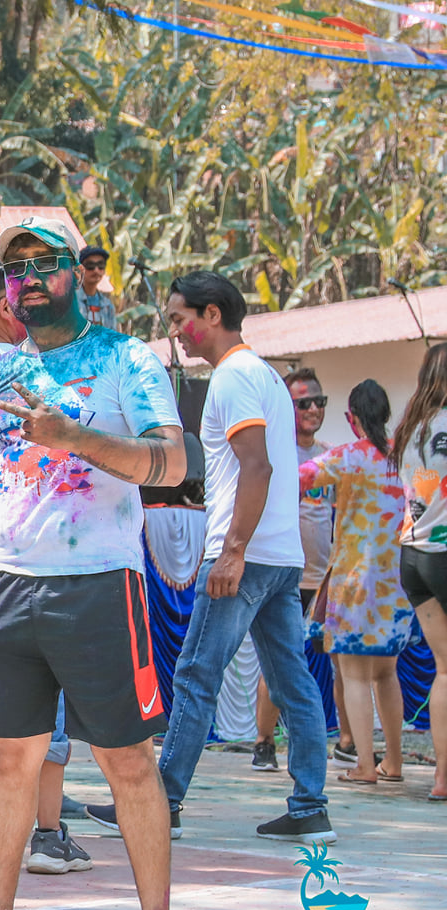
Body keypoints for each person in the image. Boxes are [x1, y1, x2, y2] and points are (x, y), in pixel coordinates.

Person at [0, 215, 188, 910]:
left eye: (46, 262)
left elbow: (172, 463)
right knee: (10, 758)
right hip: (6, 586)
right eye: (18, 268)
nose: (31, 278)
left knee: (127, 760)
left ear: (76, 272)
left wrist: (73, 436)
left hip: (101, 582)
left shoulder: (126, 359)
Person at [143, 271, 332, 844]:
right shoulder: (265, 375)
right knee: (292, 681)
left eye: (179, 319)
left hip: (243, 556)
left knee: (197, 675)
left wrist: (232, 551)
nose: (175, 332)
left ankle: (162, 803)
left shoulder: (234, 376)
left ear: (212, 315)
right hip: (278, 556)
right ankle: (310, 806)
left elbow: (257, 465)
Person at [0, 252, 88, 870]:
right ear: (5, 304)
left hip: (12, 571)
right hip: (10, 572)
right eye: (20, 284)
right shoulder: (0, 375)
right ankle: (45, 832)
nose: (30, 295)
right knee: (34, 722)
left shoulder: (97, 362)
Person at [300, 380, 416, 787]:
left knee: (354, 676)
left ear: (352, 419)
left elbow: (300, 477)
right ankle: (394, 762)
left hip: (353, 582)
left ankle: (365, 765)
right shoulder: (403, 456)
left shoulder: (347, 456)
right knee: (387, 673)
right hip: (396, 582)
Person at [256, 367, 339, 770]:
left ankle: (345, 743)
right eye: (303, 403)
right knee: (279, 662)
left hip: (325, 578)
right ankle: (264, 741)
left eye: (319, 402)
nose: (313, 409)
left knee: (337, 662)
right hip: (286, 573)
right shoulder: (279, 451)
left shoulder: (331, 456)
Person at [390, 342, 447, 801]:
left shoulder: (412, 428)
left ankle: (442, 778)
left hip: (413, 555)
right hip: (443, 552)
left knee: (445, 669)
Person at [77, 245, 118, 332]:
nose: (96, 270)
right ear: (80, 269)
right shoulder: (71, 301)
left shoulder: (108, 305)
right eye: (90, 266)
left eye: (100, 265)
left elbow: (112, 335)